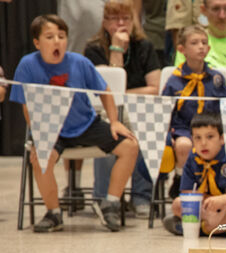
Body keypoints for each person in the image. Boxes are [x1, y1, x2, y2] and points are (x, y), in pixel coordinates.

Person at [10, 15, 138, 232]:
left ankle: (111, 203)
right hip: (50, 128)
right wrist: (39, 136)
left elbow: (105, 91)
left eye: (61, 36)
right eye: (50, 37)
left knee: (130, 146)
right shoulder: (27, 65)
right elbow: (26, 106)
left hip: (85, 124)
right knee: (41, 157)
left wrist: (114, 122)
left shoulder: (80, 62)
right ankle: (54, 213)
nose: (57, 41)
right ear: (37, 43)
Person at [84, 0, 162, 218]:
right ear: (104, 21)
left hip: (139, 109)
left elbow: (155, 88)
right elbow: (108, 88)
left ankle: (141, 196)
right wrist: (116, 49)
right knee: (110, 127)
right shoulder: (93, 49)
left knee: (146, 124)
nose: (121, 23)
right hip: (105, 110)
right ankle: (105, 197)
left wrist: (125, 96)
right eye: (115, 18)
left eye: (126, 18)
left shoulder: (144, 46)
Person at [162, 25, 226, 199]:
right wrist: (167, 135)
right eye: (194, 43)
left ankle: (216, 185)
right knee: (184, 145)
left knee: (215, 143)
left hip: (212, 130)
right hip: (184, 130)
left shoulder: (216, 79)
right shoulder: (174, 80)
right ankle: (181, 179)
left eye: (204, 43)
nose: (201, 46)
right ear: (182, 50)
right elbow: (163, 112)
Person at [163, 112, 226, 235]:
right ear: (192, 139)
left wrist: (223, 200)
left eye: (210, 137)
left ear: (222, 138)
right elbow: (187, 192)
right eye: (198, 138)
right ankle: (224, 229)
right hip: (209, 206)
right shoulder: (193, 157)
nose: (203, 143)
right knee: (177, 204)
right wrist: (209, 203)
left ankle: (206, 229)